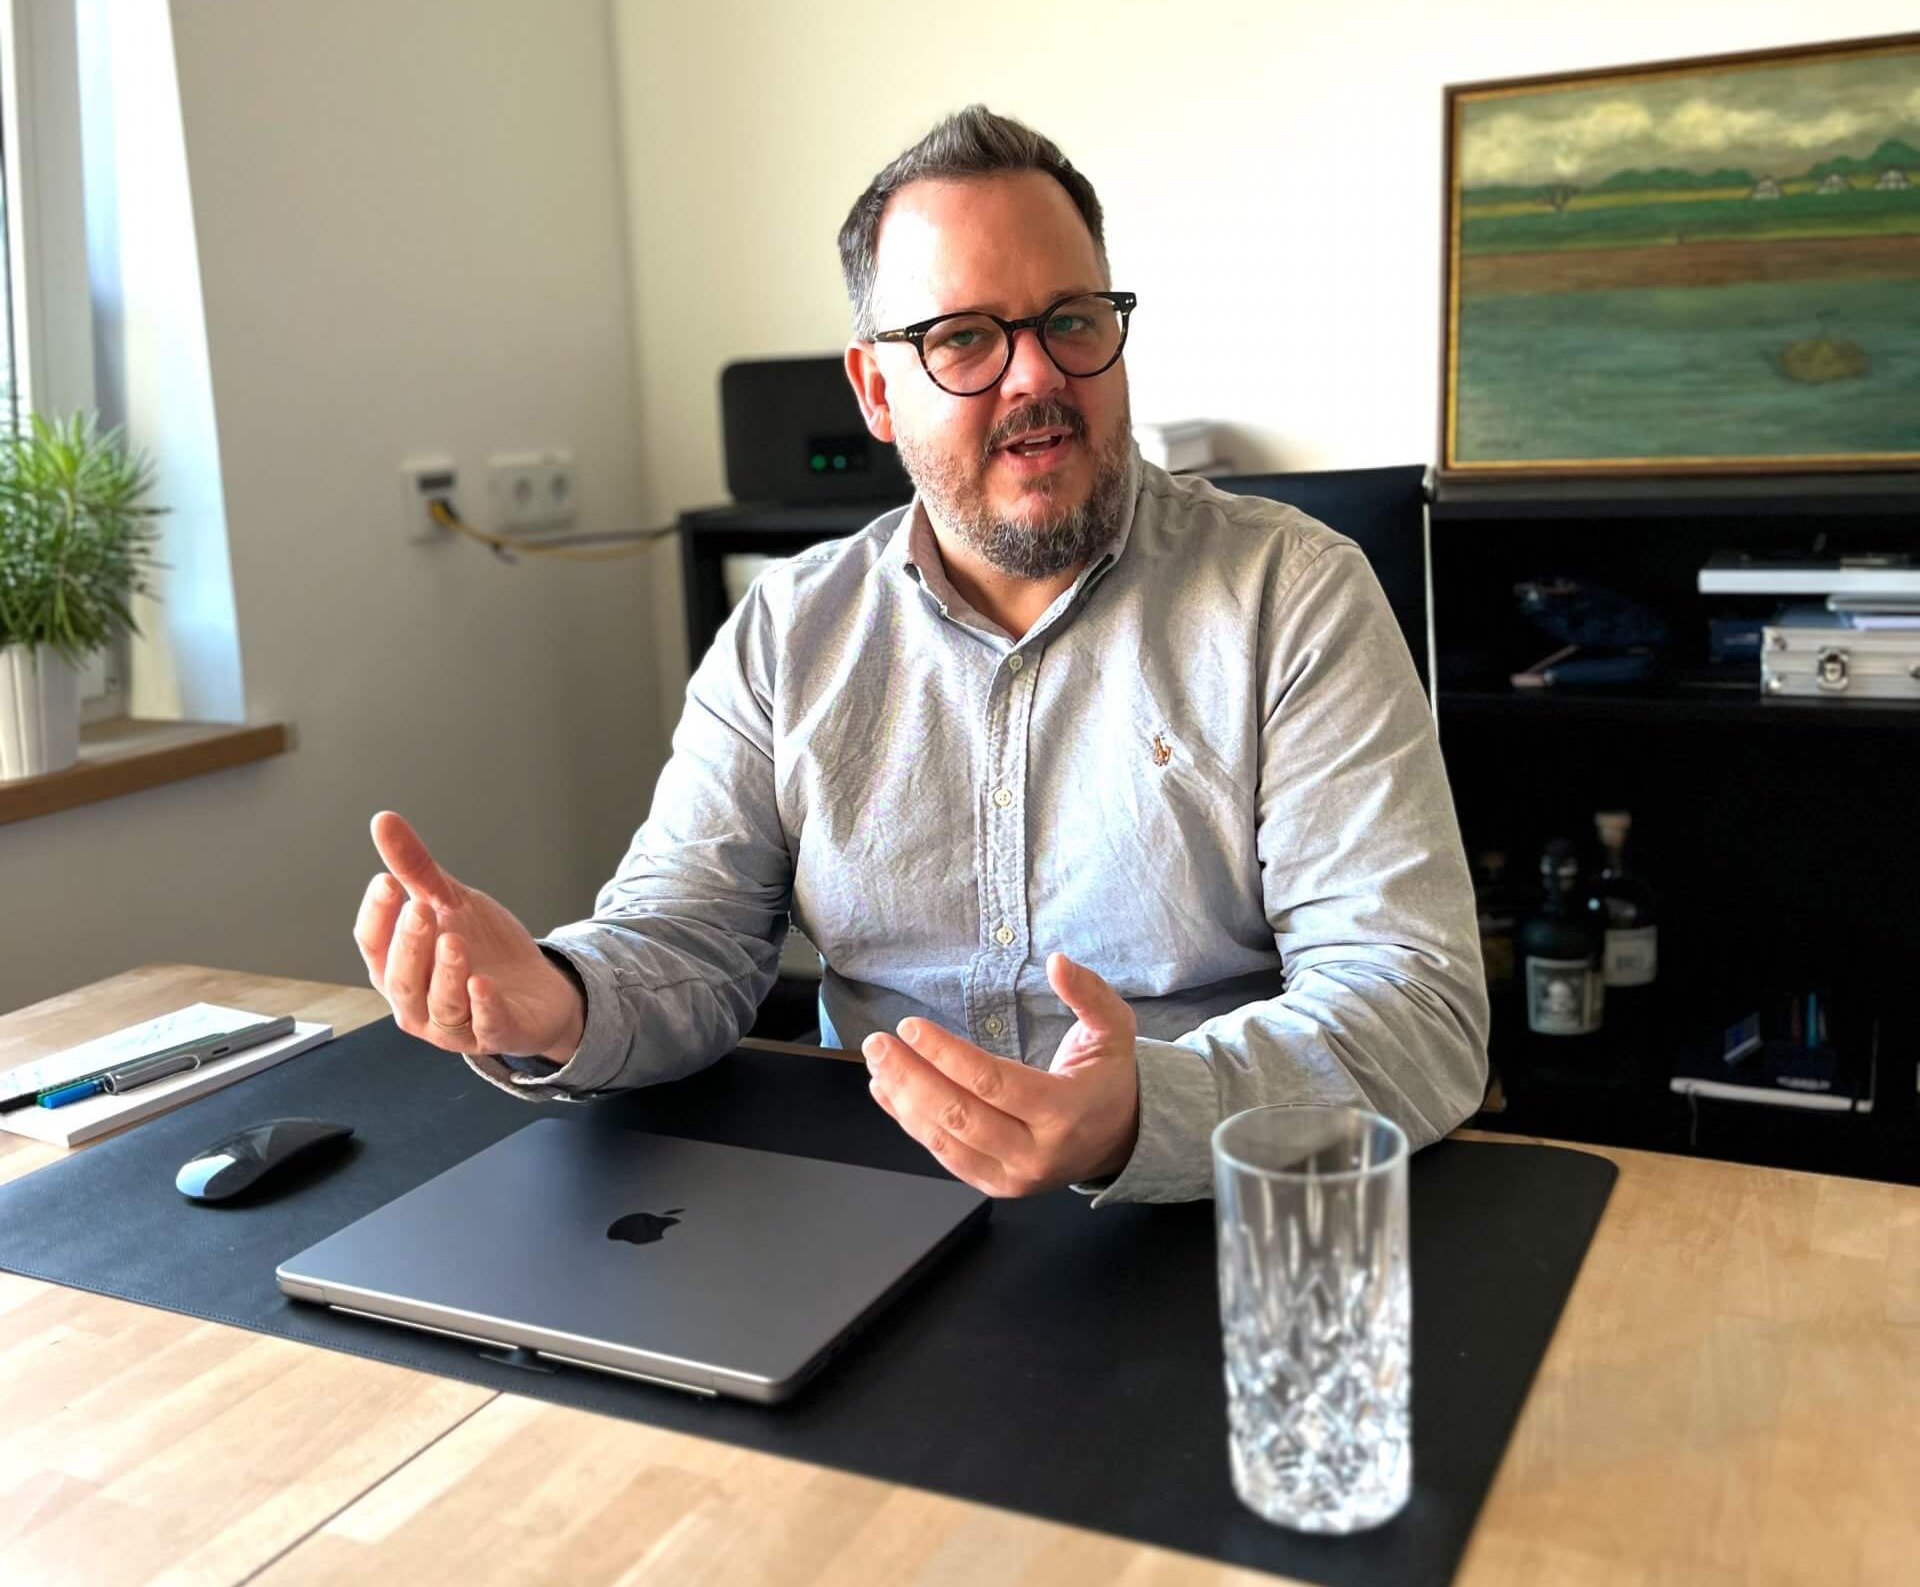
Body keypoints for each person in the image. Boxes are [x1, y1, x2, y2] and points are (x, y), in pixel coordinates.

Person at [354, 106, 1489, 1205]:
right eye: (963, 339)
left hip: (1198, 1207)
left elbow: (1414, 1005)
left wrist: (1144, 1111)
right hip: (870, 1203)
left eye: (1071, 320)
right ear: (876, 391)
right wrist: (555, 999)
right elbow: (688, 940)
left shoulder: (1292, 591)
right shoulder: (787, 632)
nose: (1036, 377)